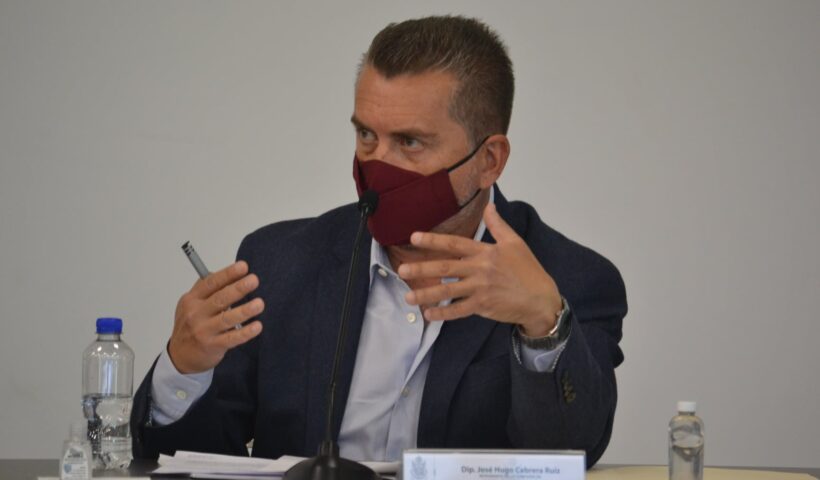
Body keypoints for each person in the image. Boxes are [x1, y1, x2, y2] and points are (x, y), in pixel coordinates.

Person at [131, 15, 627, 468]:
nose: (378, 165)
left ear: (489, 160)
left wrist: (543, 325)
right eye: (367, 135)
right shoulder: (280, 264)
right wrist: (185, 368)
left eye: (409, 142)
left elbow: (572, 454)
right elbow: (197, 461)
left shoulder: (568, 279)